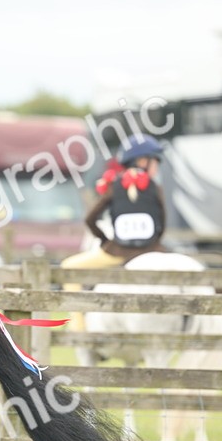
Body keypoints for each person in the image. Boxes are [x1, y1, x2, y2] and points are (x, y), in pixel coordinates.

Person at [61, 134, 168, 333]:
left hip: (116, 252)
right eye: (156, 162)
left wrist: (105, 241)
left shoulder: (112, 186)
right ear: (143, 161)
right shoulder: (157, 188)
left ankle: (78, 326)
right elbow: (162, 225)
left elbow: (90, 219)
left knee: (68, 267)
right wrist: (154, 246)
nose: (158, 167)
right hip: (152, 251)